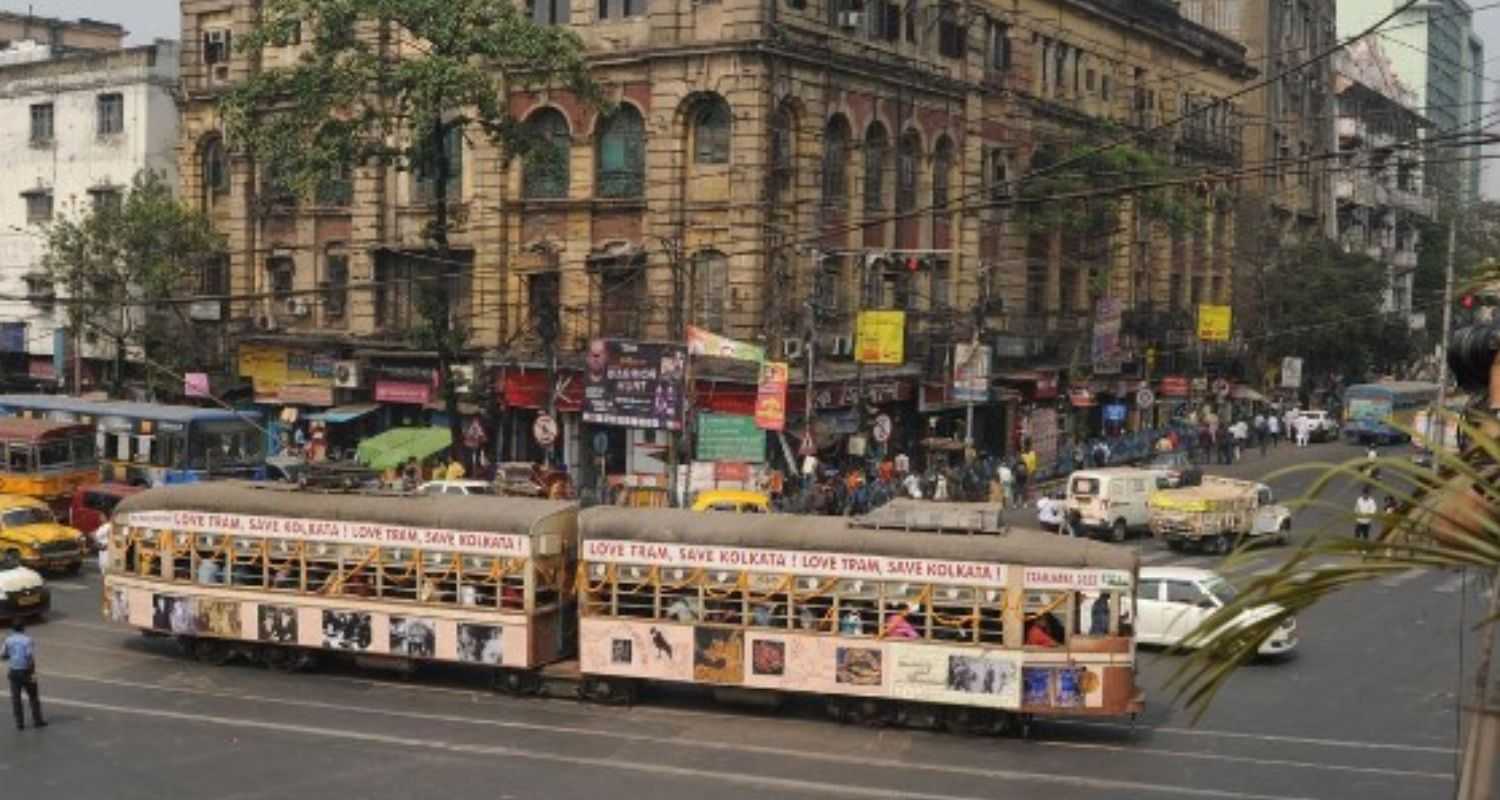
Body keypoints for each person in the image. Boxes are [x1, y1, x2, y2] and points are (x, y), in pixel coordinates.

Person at [2, 622, 45, 730]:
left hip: (14, 672)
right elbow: (29, 656)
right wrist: (33, 673)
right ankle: (37, 721)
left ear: (13, 629)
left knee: (16, 699)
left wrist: (12, 657)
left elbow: (3, 655)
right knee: (34, 697)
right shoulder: (28, 640)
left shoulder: (8, 640)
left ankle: (19, 724)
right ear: (23, 629)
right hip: (27, 672)